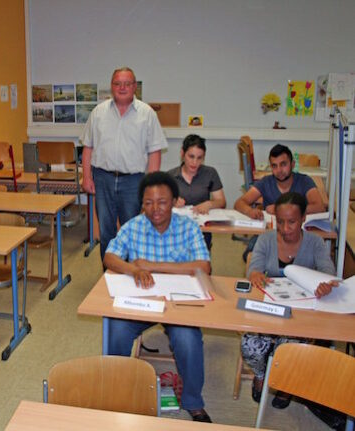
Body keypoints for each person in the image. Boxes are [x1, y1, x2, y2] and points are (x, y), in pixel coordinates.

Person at [104, 172, 212, 422]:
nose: (155, 209)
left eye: (162, 202)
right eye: (148, 202)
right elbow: (110, 257)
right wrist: (134, 269)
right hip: (142, 302)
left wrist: (152, 265)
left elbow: (203, 267)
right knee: (115, 331)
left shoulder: (188, 227)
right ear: (142, 203)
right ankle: (115, 391)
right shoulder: (134, 226)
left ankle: (193, 401)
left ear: (175, 201)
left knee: (188, 339)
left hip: (178, 303)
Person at [241, 192, 338, 408]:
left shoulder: (315, 242)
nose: (285, 229)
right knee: (249, 345)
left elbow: (328, 273)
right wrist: (255, 274)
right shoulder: (266, 239)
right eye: (280, 222)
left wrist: (324, 284)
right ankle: (261, 375)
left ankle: (285, 384)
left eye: (292, 222)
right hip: (270, 310)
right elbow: (254, 267)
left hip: (299, 314)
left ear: (303, 218)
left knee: (289, 349)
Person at [81, 66, 168, 260]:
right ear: (111, 86)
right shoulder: (98, 113)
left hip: (134, 182)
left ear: (134, 86)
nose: (122, 88)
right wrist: (86, 177)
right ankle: (108, 277)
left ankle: (130, 275)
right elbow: (88, 147)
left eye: (127, 84)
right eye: (117, 84)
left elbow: (155, 152)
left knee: (133, 231)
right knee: (106, 232)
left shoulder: (147, 114)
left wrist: (151, 186)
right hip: (103, 179)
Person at [234, 144, 325, 219]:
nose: (279, 170)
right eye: (274, 166)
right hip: (270, 234)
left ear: (292, 165)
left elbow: (319, 207)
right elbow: (239, 202)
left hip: (296, 235)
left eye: (283, 164)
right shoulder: (266, 182)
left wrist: (281, 209)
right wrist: (250, 211)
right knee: (254, 242)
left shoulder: (304, 181)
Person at [168, 134, 226, 249]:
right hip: (176, 232)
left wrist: (209, 204)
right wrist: (172, 202)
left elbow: (222, 202)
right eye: (191, 156)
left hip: (202, 232)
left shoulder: (210, 173)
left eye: (200, 158)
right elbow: (160, 204)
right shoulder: (170, 176)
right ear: (182, 154)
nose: (195, 162)